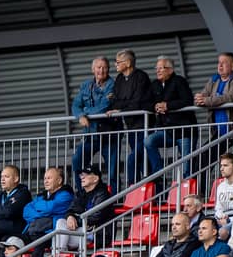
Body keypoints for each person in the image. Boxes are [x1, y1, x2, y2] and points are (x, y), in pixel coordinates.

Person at [128, 55, 194, 183]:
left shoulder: (179, 81)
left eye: (161, 68)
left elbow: (187, 100)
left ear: (170, 70)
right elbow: (143, 103)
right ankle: (158, 173)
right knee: (149, 141)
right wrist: (155, 106)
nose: (157, 71)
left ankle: (187, 187)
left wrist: (167, 106)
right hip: (166, 130)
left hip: (184, 130)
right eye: (156, 68)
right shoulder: (155, 84)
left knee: (186, 164)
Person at [104, 49, 152, 190]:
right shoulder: (119, 79)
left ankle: (135, 190)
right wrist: (124, 105)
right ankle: (144, 190)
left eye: (118, 62)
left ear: (128, 63)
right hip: (130, 127)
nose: (115, 65)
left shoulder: (141, 77)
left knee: (134, 160)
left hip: (144, 126)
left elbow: (138, 102)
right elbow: (115, 102)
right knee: (140, 161)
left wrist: (122, 108)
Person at [70, 56, 117, 188]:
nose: (101, 70)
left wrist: (85, 112)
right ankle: (81, 193)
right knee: (77, 161)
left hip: (109, 135)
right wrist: (80, 115)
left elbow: (104, 107)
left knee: (112, 170)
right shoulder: (86, 85)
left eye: (105, 67)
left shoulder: (113, 85)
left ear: (109, 69)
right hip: (90, 134)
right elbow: (76, 105)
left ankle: (116, 196)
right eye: (98, 67)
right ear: (93, 69)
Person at [55, 164, 115, 253]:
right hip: (84, 230)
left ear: (95, 179)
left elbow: (96, 216)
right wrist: (70, 216)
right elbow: (71, 210)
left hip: (97, 233)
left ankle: (60, 256)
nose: (82, 177)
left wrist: (76, 220)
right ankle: (61, 254)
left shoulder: (103, 194)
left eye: (86, 175)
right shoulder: (81, 194)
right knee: (61, 222)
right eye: (81, 175)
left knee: (60, 237)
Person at [22, 167, 74, 257]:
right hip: (34, 230)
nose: (45, 181)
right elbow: (26, 211)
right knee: (11, 241)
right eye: (45, 178)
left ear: (59, 180)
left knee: (38, 244)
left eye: (49, 178)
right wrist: (41, 215)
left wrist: (37, 207)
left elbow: (50, 208)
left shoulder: (66, 195)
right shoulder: (42, 196)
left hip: (51, 233)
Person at [0, 164, 32, 257]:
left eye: (6, 176)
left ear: (16, 179)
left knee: (4, 242)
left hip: (15, 233)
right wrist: (3, 211)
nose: (2, 179)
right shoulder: (0, 195)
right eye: (2, 176)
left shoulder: (23, 193)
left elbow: (10, 212)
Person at [194, 52, 233, 140]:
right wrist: (198, 99)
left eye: (224, 62)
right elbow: (201, 97)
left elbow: (230, 97)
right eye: (219, 62)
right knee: (209, 149)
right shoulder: (213, 80)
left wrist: (206, 100)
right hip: (217, 131)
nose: (220, 65)